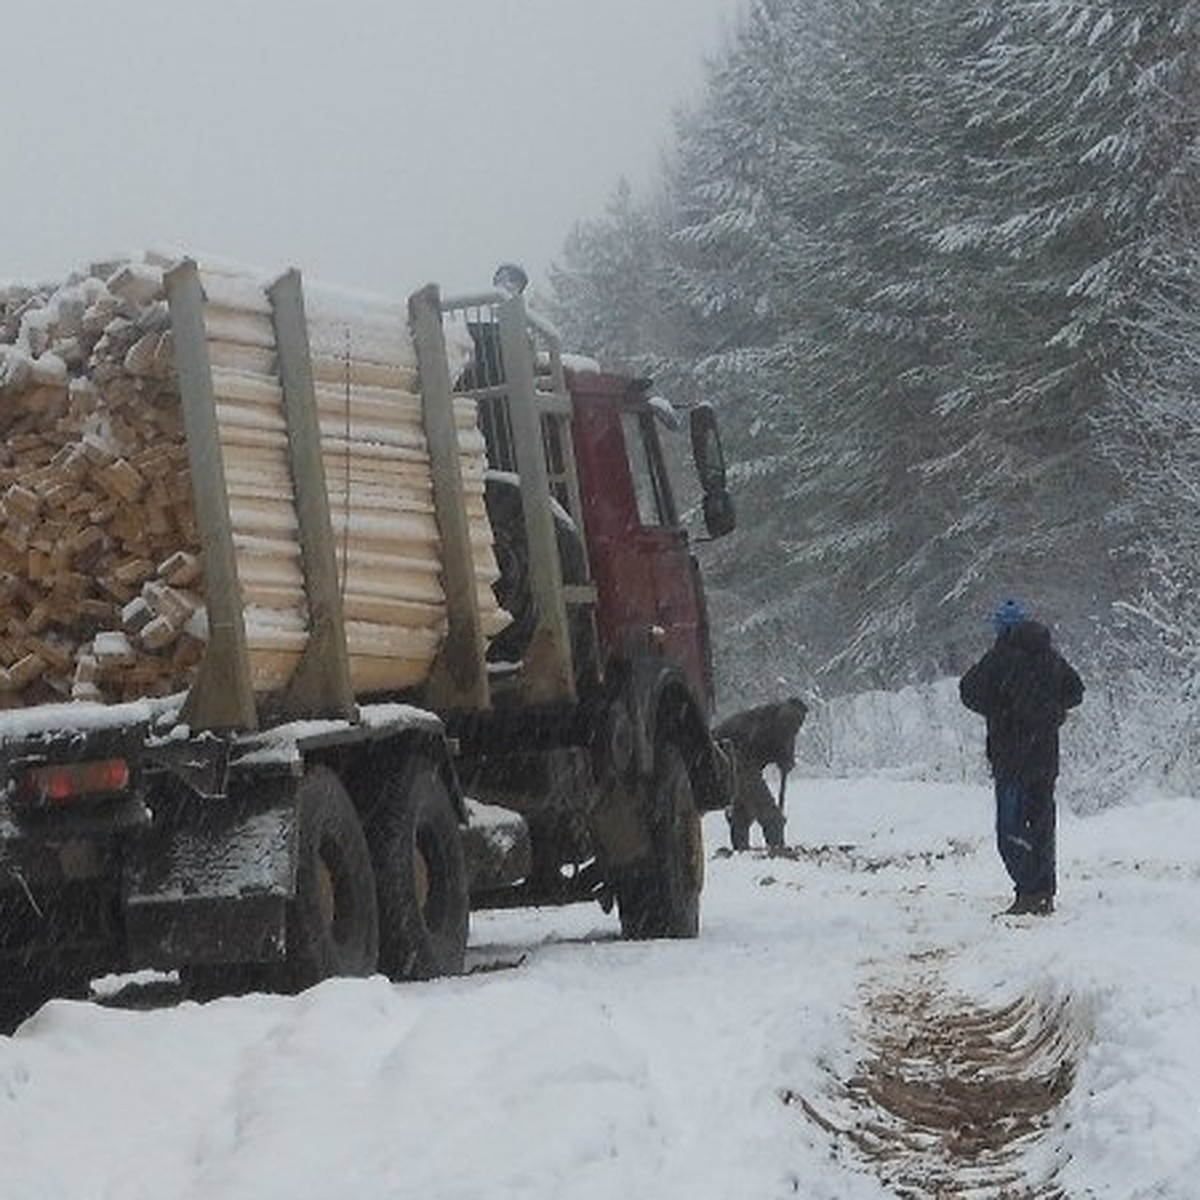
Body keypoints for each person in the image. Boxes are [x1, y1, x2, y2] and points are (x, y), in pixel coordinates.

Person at [959, 599, 1083, 915]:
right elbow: (1076, 691)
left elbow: (968, 692)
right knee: (1041, 825)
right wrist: (1052, 711)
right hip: (1044, 756)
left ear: (1000, 629)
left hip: (1011, 757)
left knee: (1010, 829)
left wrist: (999, 710)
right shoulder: (1049, 656)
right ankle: (1043, 892)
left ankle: (1028, 890)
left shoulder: (999, 659)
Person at [714, 697, 808, 851]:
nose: (795, 726)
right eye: (792, 720)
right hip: (730, 753)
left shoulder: (785, 724)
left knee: (744, 806)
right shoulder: (765, 720)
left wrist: (786, 761)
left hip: (739, 758)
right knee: (767, 810)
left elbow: (785, 748)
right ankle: (776, 847)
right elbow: (749, 753)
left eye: (798, 723)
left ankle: (741, 850)